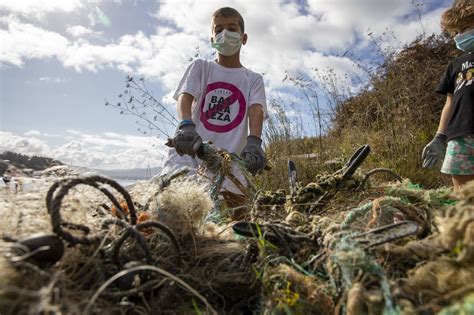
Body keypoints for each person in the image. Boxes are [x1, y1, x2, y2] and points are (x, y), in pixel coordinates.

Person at [161, 7, 267, 215]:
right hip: (191, 151)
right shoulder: (201, 67)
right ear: (212, 39)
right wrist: (185, 125)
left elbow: (256, 109)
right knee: (176, 212)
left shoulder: (253, 79)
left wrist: (254, 142)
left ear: (243, 38)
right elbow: (186, 96)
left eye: (231, 28)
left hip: (230, 161)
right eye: (218, 29)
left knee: (241, 216)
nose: (224, 34)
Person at [422, 0, 474, 189]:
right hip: (459, 136)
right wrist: (439, 137)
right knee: (462, 195)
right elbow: (449, 103)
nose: (460, 36)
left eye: (465, 28)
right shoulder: (454, 65)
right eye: (456, 32)